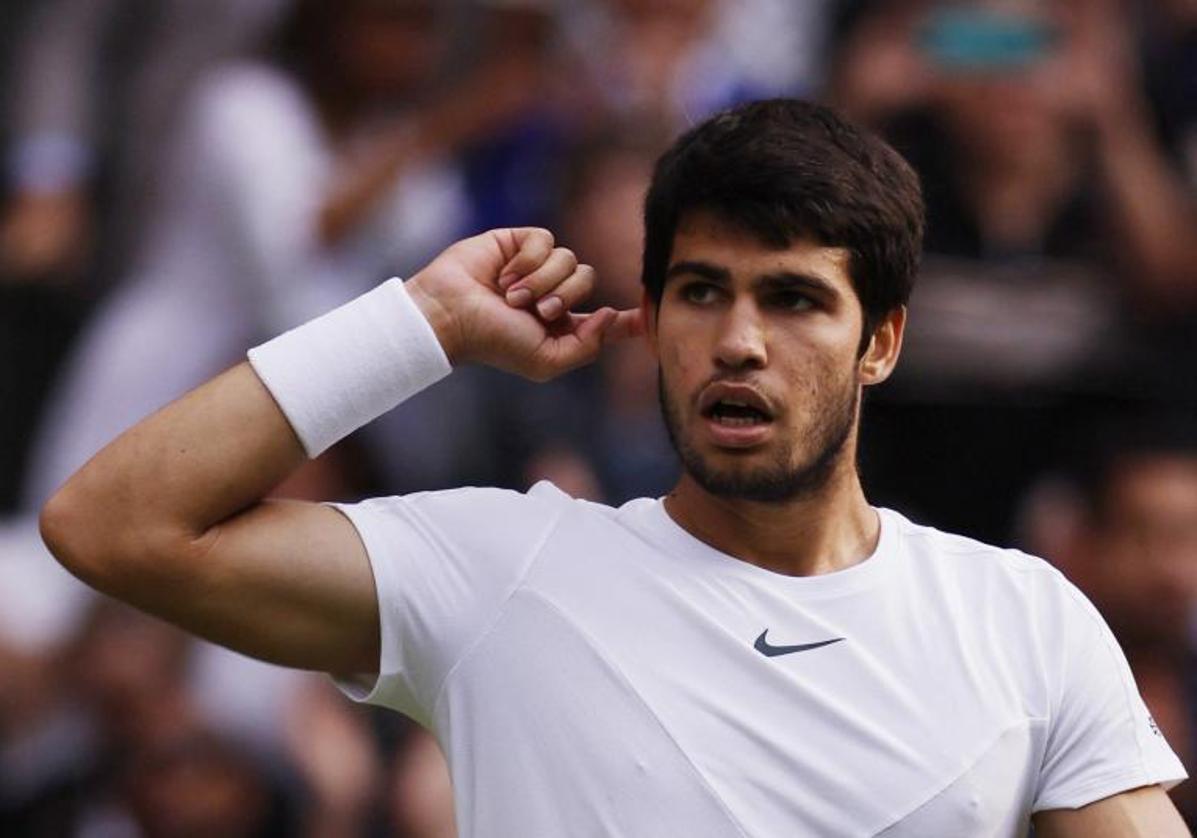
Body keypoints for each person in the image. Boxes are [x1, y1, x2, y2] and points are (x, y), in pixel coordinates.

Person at [40, 99, 1188, 835]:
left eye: (793, 299)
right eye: (701, 292)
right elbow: (110, 525)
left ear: (881, 340)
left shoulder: (1022, 615)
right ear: (650, 313)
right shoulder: (498, 569)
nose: (738, 339)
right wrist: (422, 325)